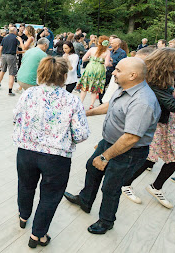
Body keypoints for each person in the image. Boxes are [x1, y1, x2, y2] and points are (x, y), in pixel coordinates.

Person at [64, 57, 161, 235]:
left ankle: (106, 221)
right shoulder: (125, 88)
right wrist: (86, 113)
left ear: (132, 75)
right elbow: (110, 105)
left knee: (111, 186)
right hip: (110, 142)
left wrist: (105, 157)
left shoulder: (142, 102)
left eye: (117, 70)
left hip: (128, 151)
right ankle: (85, 200)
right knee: (91, 169)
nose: (113, 72)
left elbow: (131, 138)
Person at [14, 57, 89, 248]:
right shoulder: (72, 100)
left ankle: (23, 216)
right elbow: (81, 134)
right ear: (64, 76)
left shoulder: (28, 94)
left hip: (26, 151)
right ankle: (38, 234)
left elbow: (16, 118)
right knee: (50, 195)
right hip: (56, 156)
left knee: (25, 185)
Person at [120, 49, 175, 208]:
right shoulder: (153, 80)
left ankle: (156, 187)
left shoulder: (171, 76)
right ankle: (125, 184)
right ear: (166, 62)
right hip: (156, 121)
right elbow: (172, 104)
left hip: (169, 121)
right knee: (149, 157)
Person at [76, 35, 111, 109]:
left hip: (90, 67)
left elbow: (83, 59)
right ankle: (91, 104)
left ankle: (81, 102)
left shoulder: (92, 49)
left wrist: (90, 59)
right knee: (95, 88)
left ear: (98, 42)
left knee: (84, 86)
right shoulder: (107, 52)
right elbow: (107, 64)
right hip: (99, 69)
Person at [99, 37, 127, 104]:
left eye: (112, 43)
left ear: (117, 44)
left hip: (115, 72)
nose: (110, 44)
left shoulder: (122, 53)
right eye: (110, 43)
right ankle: (102, 101)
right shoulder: (110, 51)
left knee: (114, 88)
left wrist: (112, 61)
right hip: (107, 71)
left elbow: (121, 63)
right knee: (102, 85)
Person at [0, 25, 23, 96]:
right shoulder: (16, 38)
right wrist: (21, 42)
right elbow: (20, 47)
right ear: (15, 31)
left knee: (2, 70)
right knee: (12, 74)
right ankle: (10, 90)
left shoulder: (5, 38)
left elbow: (0, 49)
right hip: (11, 56)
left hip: (4, 56)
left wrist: (0, 56)